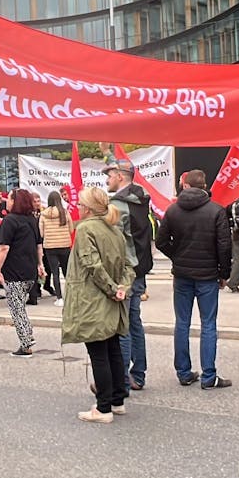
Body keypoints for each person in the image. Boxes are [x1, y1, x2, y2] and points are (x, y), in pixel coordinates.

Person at [63, 186, 135, 423]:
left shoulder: (85, 229)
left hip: (93, 298)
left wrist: (114, 289)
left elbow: (92, 265)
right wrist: (121, 288)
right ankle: (117, 400)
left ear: (87, 208)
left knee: (98, 353)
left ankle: (103, 407)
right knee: (112, 349)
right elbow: (127, 266)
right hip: (111, 298)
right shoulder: (113, 229)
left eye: (81, 204)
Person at [156, 169, 231, 389]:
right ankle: (209, 376)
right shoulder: (216, 211)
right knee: (208, 324)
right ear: (205, 185)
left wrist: (176, 255)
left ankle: (183, 371)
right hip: (208, 275)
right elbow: (224, 246)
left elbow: (160, 241)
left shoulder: (173, 211)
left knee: (182, 323)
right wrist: (223, 273)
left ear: (185, 186)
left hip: (182, 275)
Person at [106, 160, 154, 390]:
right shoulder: (142, 198)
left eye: (110, 174)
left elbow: (112, 243)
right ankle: (138, 374)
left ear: (121, 177)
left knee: (122, 325)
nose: (107, 179)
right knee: (134, 322)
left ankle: (121, 380)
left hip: (125, 270)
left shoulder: (117, 205)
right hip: (140, 268)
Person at [0, 189, 45, 356]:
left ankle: (26, 343)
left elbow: (3, 247)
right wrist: (40, 265)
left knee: (17, 308)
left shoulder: (9, 221)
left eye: (9, 199)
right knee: (20, 306)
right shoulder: (32, 219)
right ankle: (27, 336)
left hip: (14, 271)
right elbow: (39, 245)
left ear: (15, 201)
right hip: (30, 270)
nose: (6, 201)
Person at [39, 190, 72, 304]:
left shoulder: (43, 214)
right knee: (67, 271)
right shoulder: (65, 212)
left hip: (50, 246)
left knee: (55, 272)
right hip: (64, 245)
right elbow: (71, 229)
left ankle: (59, 298)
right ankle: (71, 296)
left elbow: (41, 233)